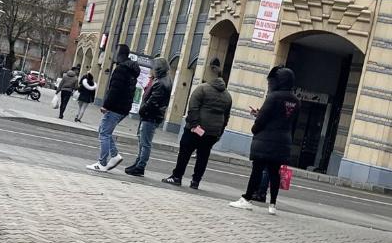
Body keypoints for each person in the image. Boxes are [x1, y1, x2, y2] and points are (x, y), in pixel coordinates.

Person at [230, 66, 300, 215]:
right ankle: (272, 205)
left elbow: (263, 119)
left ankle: (246, 198)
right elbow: (288, 121)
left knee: (257, 170)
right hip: (283, 141)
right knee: (274, 172)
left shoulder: (273, 97)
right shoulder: (295, 101)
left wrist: (255, 127)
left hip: (266, 140)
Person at [162, 61, 233, 189]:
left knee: (185, 153)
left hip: (195, 129)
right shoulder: (227, 96)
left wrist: (194, 125)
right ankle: (195, 181)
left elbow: (193, 108)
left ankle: (177, 177)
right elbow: (226, 116)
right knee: (203, 157)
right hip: (212, 132)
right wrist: (219, 132)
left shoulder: (202, 89)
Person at [85, 44, 140, 172]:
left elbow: (115, 89)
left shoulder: (121, 69)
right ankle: (114, 156)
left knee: (104, 133)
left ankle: (102, 162)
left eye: (115, 52)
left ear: (119, 54)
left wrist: (106, 105)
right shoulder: (131, 70)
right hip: (124, 107)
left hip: (115, 106)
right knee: (104, 131)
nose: (113, 55)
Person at [125, 57, 172, 176]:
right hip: (151, 115)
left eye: (154, 68)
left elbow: (153, 101)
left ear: (158, 69)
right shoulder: (162, 80)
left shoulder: (161, 82)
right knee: (142, 140)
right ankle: (138, 163)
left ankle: (140, 166)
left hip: (150, 115)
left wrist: (143, 110)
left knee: (145, 142)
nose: (152, 70)